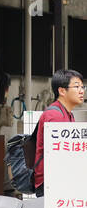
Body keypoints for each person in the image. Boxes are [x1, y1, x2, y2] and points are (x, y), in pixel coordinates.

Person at [34, 68, 83, 197]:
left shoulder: (67, 113)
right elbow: (60, 153)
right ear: (62, 91)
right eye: (76, 87)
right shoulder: (54, 115)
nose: (81, 91)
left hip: (59, 178)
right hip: (51, 182)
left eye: (83, 87)